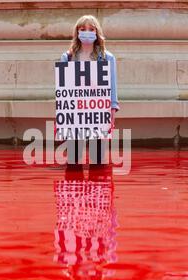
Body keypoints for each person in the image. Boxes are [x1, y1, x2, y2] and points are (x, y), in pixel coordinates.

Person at [58, 15, 120, 172]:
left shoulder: (107, 58)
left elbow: (112, 85)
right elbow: (62, 89)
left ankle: (98, 194)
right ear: (77, 32)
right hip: (75, 113)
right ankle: (73, 194)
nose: (87, 32)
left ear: (97, 32)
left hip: (98, 113)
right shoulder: (68, 57)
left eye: (91, 29)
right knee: (73, 162)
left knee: (98, 160)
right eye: (83, 29)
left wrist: (112, 109)